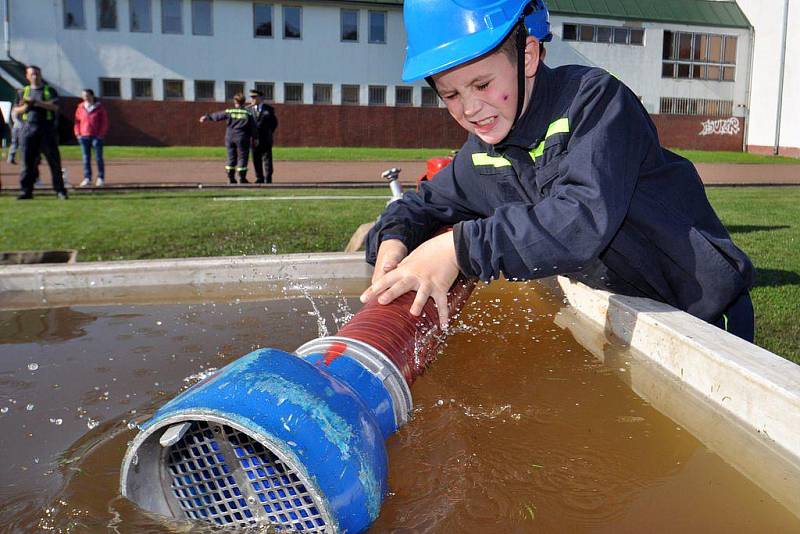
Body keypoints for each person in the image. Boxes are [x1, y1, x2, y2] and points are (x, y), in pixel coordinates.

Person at [361, 0, 755, 342]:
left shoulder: (596, 104)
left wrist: (458, 249)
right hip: (626, 314)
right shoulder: (483, 153)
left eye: (481, 84)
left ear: (528, 56)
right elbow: (425, 202)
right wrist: (394, 238)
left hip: (699, 308)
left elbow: (579, 219)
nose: (469, 108)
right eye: (450, 94)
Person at [13, 64, 68, 200]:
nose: (35, 76)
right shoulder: (23, 92)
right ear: (27, 76)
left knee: (54, 161)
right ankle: (26, 191)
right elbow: (16, 110)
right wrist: (26, 106)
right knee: (27, 162)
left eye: (37, 74)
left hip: (46, 129)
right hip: (28, 128)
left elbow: (55, 107)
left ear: (41, 75)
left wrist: (36, 103)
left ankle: (60, 191)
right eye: (32, 74)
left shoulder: (49, 91)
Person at [200, 93, 256, 184]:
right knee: (242, 157)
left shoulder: (229, 111)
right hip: (242, 137)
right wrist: (255, 138)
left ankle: (231, 178)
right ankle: (242, 178)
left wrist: (207, 117)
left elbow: (218, 116)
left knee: (231, 156)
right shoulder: (248, 113)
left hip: (230, 137)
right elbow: (253, 127)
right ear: (244, 102)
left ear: (235, 102)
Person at [74, 88, 109, 187]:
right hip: (84, 136)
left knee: (98, 158)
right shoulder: (80, 108)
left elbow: (104, 122)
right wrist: (78, 134)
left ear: (92, 96)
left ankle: (100, 178)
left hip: (96, 137)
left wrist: (100, 134)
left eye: (87, 95)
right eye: (84, 96)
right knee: (86, 158)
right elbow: (77, 122)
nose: (86, 98)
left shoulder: (99, 108)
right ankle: (87, 178)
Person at [247, 89, 278, 184]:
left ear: (260, 98)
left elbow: (274, 123)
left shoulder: (269, 109)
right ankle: (259, 177)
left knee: (267, 158)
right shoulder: (248, 109)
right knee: (256, 159)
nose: (252, 99)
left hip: (265, 138)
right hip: (253, 139)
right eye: (251, 97)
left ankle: (268, 177)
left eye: (254, 97)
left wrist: (269, 132)